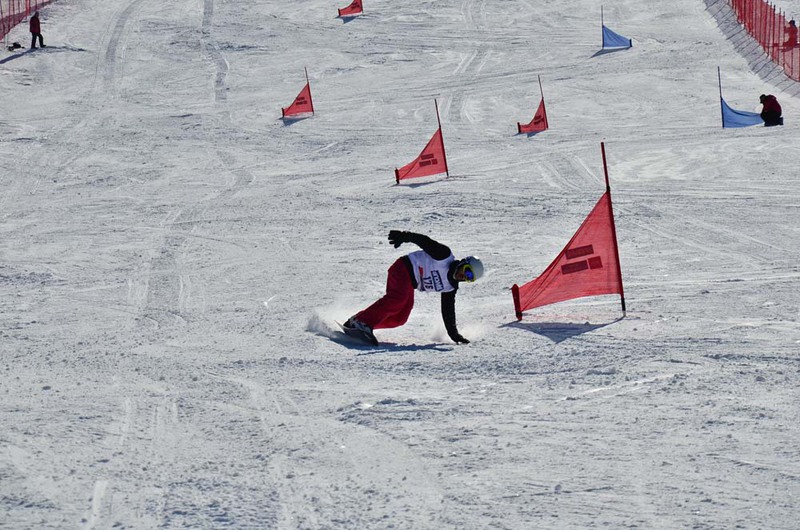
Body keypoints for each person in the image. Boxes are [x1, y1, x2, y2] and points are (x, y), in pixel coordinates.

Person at [343, 230, 484, 345]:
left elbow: (447, 310)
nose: (463, 276)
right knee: (398, 299)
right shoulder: (444, 256)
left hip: (410, 283)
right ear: (463, 263)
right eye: (467, 271)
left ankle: (360, 323)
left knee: (400, 317)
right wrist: (403, 236)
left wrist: (453, 334)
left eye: (469, 278)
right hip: (403, 268)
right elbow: (424, 241)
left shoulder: (450, 287)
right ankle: (362, 322)